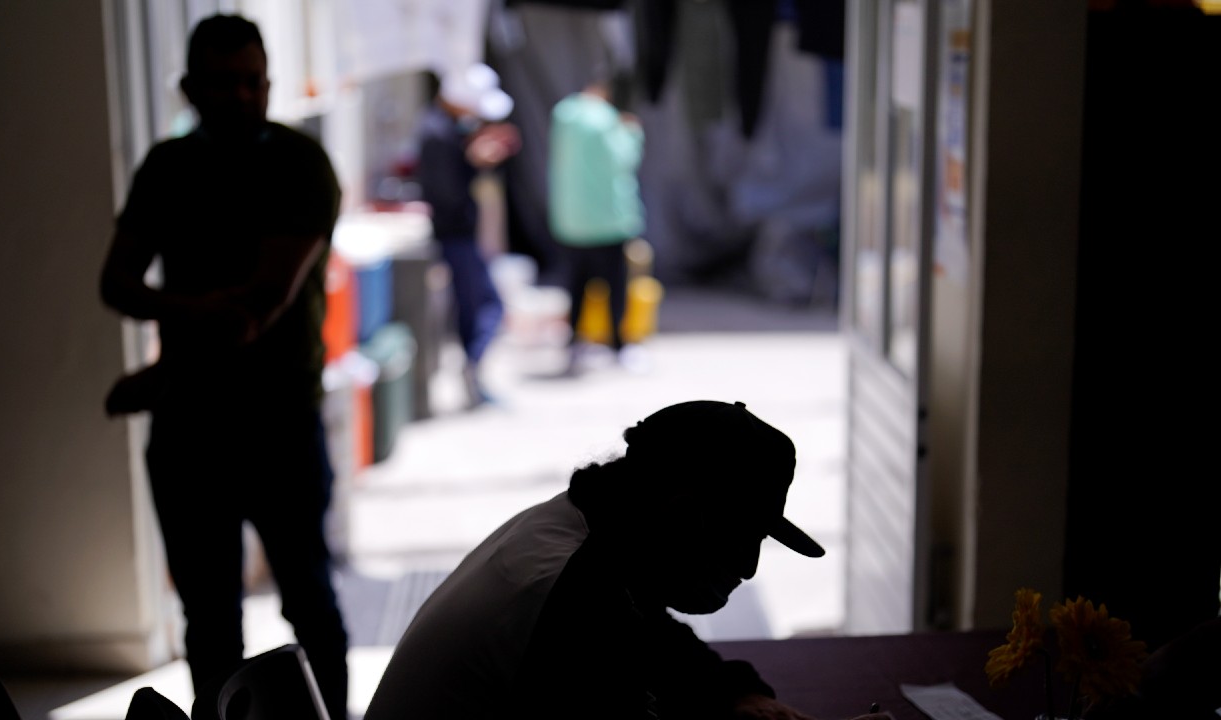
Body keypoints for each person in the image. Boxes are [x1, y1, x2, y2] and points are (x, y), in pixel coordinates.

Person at [98, 14, 349, 720]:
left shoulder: (301, 165)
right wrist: (206, 311)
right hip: (189, 428)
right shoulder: (167, 167)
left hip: (276, 421)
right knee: (210, 624)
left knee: (310, 604)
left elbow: (260, 305)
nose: (241, 96)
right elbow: (114, 284)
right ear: (188, 87)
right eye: (222, 83)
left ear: (269, 83)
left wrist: (164, 364)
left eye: (252, 82)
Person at [363, 399, 889, 720]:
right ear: (682, 514)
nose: (748, 568)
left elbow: (653, 637)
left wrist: (734, 693)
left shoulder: (577, 527)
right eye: (740, 538)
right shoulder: (572, 598)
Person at [416, 63, 521, 407]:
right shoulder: (437, 133)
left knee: (478, 306)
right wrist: (474, 160)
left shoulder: (447, 130)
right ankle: (473, 376)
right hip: (454, 235)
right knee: (485, 305)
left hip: (459, 234)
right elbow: (448, 193)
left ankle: (474, 376)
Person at [548, 72, 647, 374]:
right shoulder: (607, 121)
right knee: (614, 288)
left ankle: (574, 345)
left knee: (575, 287)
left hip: (570, 221)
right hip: (607, 223)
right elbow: (623, 161)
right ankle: (619, 346)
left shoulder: (563, 116)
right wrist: (633, 134)